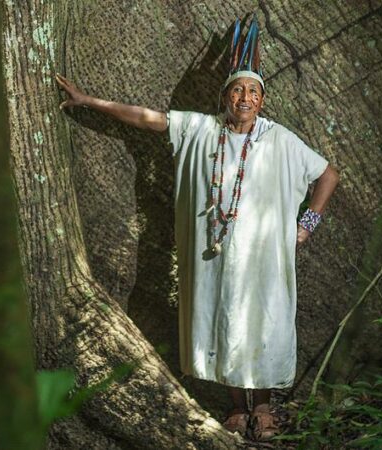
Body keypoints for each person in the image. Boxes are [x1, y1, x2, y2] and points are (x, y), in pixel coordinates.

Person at [55, 16, 339, 441]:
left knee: (264, 320)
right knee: (222, 319)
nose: (245, 98)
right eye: (238, 90)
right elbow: (149, 119)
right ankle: (235, 408)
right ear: (226, 96)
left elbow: (328, 174)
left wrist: (307, 224)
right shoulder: (202, 129)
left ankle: (261, 406)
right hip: (216, 255)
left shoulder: (279, 139)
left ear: (262, 100)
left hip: (264, 258)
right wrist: (90, 101)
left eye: (254, 91)